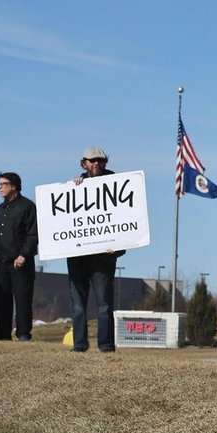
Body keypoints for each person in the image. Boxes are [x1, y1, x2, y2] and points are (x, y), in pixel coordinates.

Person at [67, 147, 124, 353]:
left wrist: (118, 248)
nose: (96, 164)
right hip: (78, 255)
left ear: (105, 163)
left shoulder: (119, 186)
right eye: (92, 161)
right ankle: (79, 344)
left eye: (100, 160)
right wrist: (72, 187)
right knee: (78, 305)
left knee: (104, 304)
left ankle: (106, 346)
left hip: (103, 257)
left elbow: (126, 220)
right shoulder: (75, 186)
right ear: (84, 164)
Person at [0, 172, 38, 341]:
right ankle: (2, 334)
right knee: (1, 300)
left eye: (4, 184)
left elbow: (33, 234)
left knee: (22, 300)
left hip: (20, 262)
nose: (0, 187)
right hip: (1, 262)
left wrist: (24, 254)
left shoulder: (27, 206)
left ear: (14, 186)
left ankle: (23, 334)